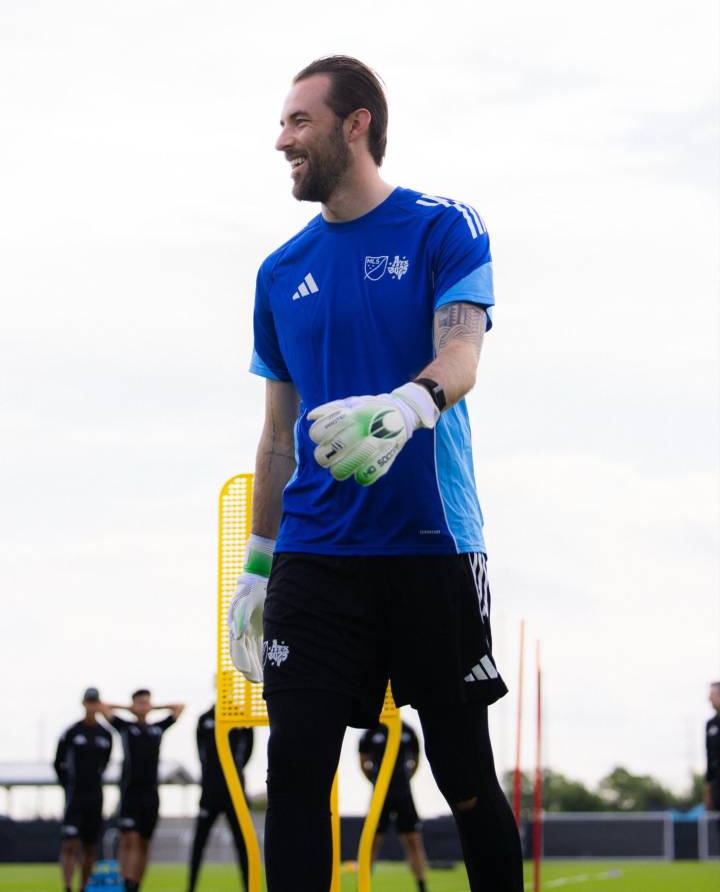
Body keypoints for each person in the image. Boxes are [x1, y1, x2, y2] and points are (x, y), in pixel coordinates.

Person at [228, 55, 524, 892]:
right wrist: (255, 569)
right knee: (294, 781)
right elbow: (278, 439)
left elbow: (462, 352)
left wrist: (408, 405)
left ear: (355, 123)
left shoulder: (443, 226)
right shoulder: (280, 271)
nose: (281, 138)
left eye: (299, 121)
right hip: (316, 560)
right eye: (284, 121)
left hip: (430, 542)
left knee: (464, 778)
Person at [100, 691, 184, 892]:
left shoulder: (157, 729)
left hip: (151, 795)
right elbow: (104, 707)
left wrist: (153, 708)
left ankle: (136, 885)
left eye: (146, 701)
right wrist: (129, 709)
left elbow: (179, 707)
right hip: (130, 794)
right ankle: (125, 883)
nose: (143, 705)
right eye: (139, 702)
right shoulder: (126, 728)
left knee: (145, 843)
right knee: (129, 840)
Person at [187, 704, 254, 892]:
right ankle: (190, 887)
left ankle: (249, 887)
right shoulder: (205, 718)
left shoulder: (242, 716)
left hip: (235, 792)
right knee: (199, 843)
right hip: (210, 791)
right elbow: (201, 753)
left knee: (244, 844)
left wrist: (234, 773)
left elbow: (248, 752)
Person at [359, 720, 429, 892]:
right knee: (371, 842)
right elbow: (363, 762)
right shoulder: (370, 731)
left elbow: (416, 759)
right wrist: (378, 782)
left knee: (414, 841)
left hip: (404, 795)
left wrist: (402, 781)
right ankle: (362, 886)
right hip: (379, 795)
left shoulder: (407, 730)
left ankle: (422, 887)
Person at [54, 687, 112, 892]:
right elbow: (58, 763)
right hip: (75, 796)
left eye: (95, 702)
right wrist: (68, 786)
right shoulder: (71, 732)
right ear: (84, 703)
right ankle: (68, 886)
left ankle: (84, 887)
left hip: (95, 797)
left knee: (90, 845)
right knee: (70, 843)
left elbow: (105, 764)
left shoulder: (105, 735)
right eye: (89, 701)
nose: (92, 706)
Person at [705, 681, 720, 833]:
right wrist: (708, 790)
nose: (709, 698)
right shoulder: (710, 725)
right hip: (717, 785)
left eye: (712, 694)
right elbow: (709, 758)